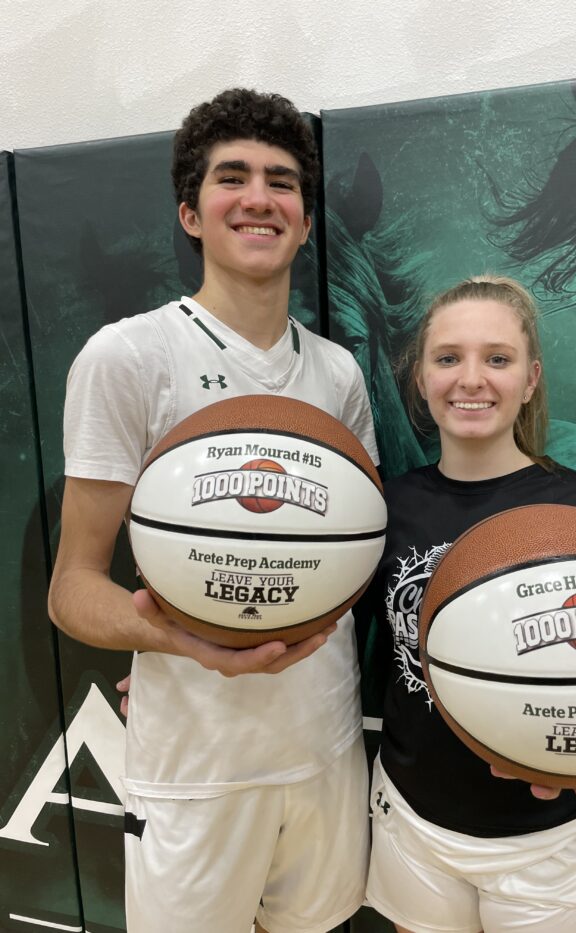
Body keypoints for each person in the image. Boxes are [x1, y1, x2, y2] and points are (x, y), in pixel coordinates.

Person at [48, 88, 378, 933]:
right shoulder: (127, 356)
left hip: (325, 747)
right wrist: (174, 638)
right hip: (197, 767)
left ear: (305, 220)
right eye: (233, 178)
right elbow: (72, 588)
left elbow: (353, 560)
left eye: (282, 182)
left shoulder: (338, 373)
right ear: (191, 214)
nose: (260, 197)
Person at [359, 275, 576, 933]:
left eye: (498, 358)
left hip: (551, 841)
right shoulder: (385, 506)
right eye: (448, 358)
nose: (471, 379)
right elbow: (322, 630)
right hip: (415, 824)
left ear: (532, 377)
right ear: (420, 377)